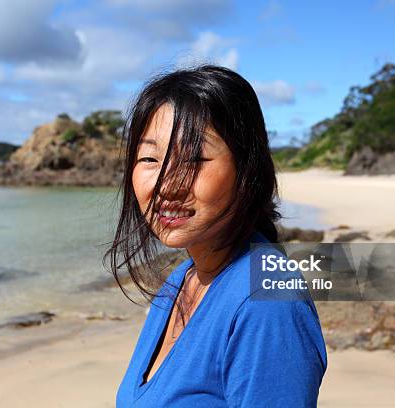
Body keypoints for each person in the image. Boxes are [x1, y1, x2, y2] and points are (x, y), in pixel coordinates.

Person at [104, 64, 327, 407]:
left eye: (194, 158)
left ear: (247, 169)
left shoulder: (268, 300)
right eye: (150, 158)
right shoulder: (181, 281)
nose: (167, 184)